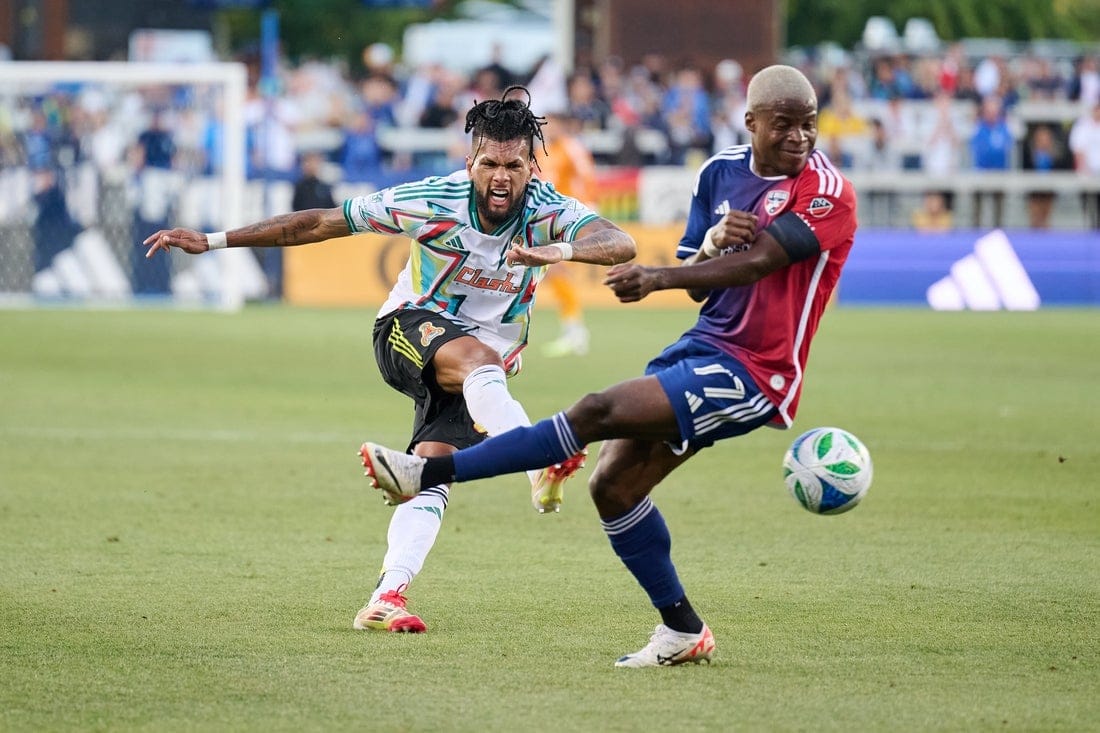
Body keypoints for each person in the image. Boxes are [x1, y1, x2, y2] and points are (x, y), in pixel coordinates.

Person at [359, 65, 859, 668]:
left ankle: (430, 474)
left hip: (758, 371)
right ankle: (682, 630)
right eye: (784, 124)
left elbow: (761, 262)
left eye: (809, 124)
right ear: (752, 122)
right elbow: (702, 280)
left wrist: (652, 277)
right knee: (613, 486)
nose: (800, 137)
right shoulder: (719, 173)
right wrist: (709, 244)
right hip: (700, 346)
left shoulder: (829, 190)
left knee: (595, 411)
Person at [142, 86, 637, 634]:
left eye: (514, 166)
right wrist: (213, 240)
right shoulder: (431, 200)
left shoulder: (547, 210)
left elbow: (620, 243)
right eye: (490, 165)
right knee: (479, 361)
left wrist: (559, 250)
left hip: (481, 374)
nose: (501, 178)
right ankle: (539, 457)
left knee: (429, 469)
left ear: (531, 166)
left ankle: (386, 596)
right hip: (407, 329)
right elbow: (321, 222)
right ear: (469, 161)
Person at [536, 109, 598, 357]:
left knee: (556, 268)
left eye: (552, 125)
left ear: (562, 126)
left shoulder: (573, 148)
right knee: (554, 271)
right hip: (549, 219)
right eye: (545, 126)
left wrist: (590, 212)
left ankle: (575, 330)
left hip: (571, 216)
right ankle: (574, 329)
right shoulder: (541, 152)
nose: (548, 130)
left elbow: (587, 178)